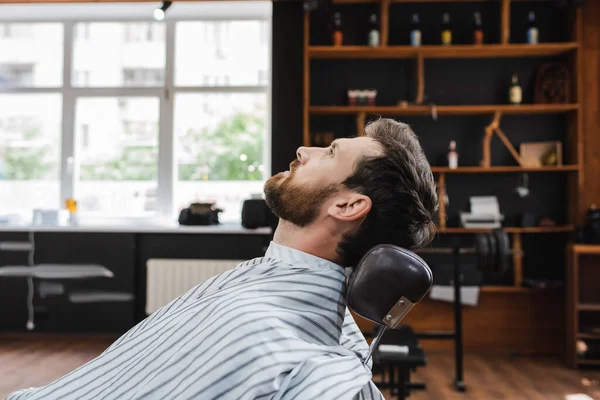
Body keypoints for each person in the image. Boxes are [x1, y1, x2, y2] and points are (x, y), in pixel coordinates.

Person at [5, 118, 438, 400]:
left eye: (330, 154)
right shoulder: (274, 296)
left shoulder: (302, 355)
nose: (305, 150)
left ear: (347, 207)